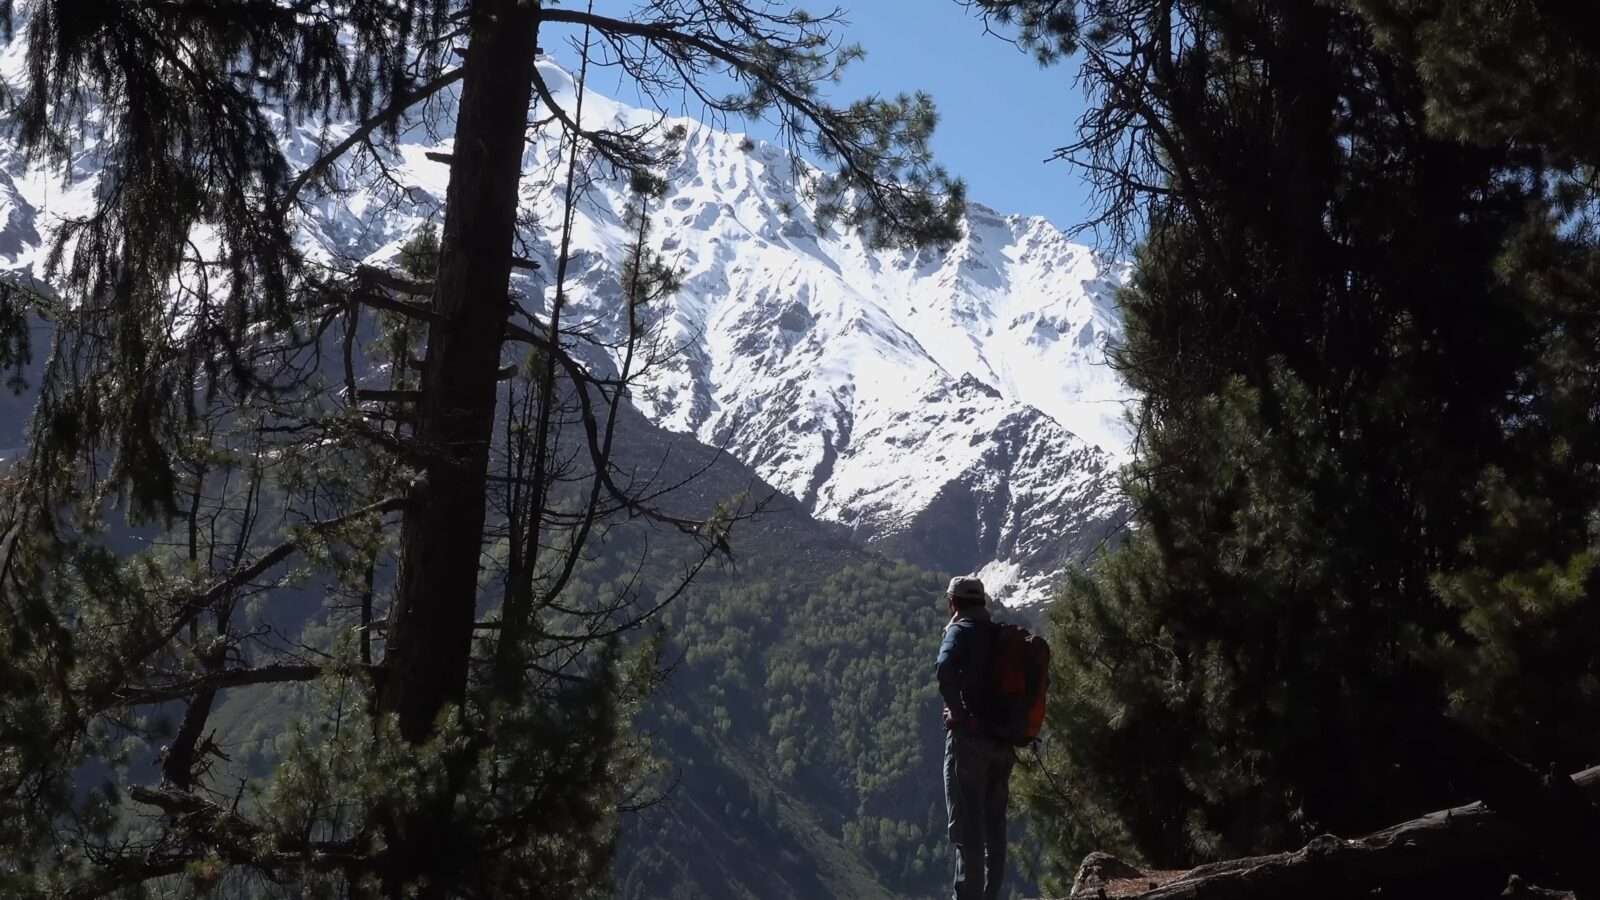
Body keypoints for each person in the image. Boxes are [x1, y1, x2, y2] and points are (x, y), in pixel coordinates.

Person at [936, 574, 1016, 900]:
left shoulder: (960, 630)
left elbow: (943, 668)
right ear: (981, 602)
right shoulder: (999, 635)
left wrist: (957, 711)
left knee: (967, 827)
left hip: (969, 744)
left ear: (953, 603)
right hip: (1003, 743)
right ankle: (991, 895)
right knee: (995, 826)